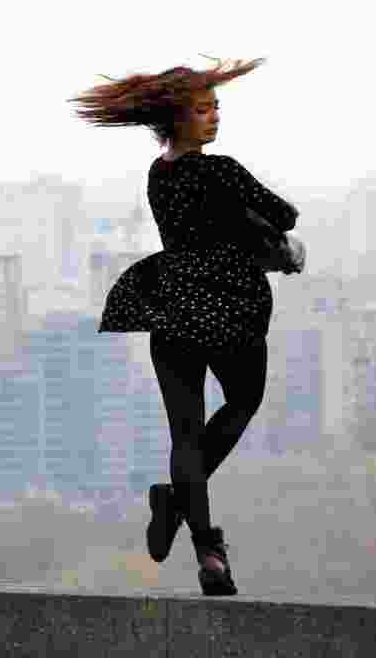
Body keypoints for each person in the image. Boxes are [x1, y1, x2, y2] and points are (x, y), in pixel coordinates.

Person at [67, 55, 303, 596]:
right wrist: (268, 235)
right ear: (176, 118)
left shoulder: (159, 174)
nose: (214, 116)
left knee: (185, 433)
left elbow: (204, 219)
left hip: (169, 301)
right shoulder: (221, 170)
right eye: (203, 109)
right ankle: (173, 500)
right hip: (225, 302)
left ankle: (208, 553)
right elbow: (283, 215)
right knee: (242, 400)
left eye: (216, 106)